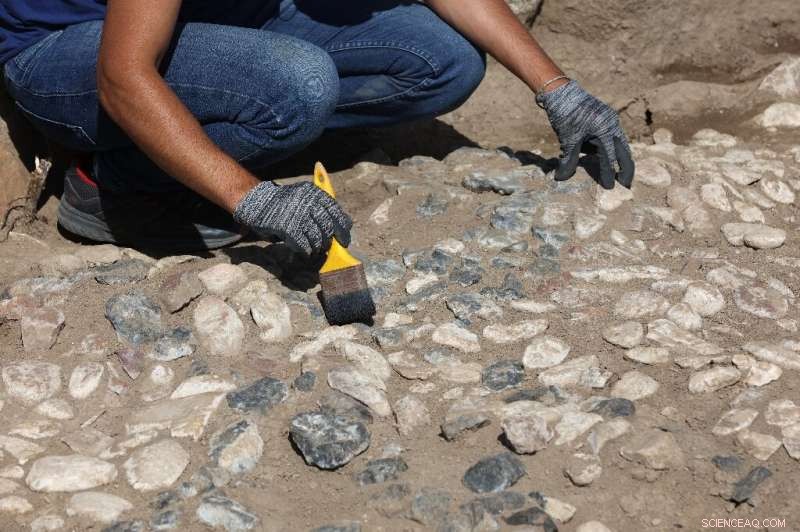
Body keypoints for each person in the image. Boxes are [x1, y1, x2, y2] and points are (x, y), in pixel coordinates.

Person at [1, 0, 634, 253]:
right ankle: (112, 186)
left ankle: (241, 132)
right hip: (69, 54)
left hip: (225, 15)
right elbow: (123, 77)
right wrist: (252, 199)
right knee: (298, 87)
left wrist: (558, 90)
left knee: (443, 62)